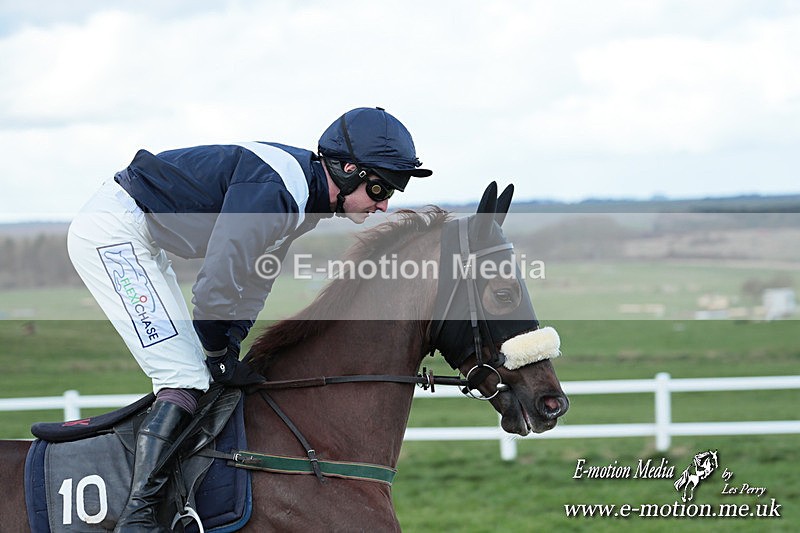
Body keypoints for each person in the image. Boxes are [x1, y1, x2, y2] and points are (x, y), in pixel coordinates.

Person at [66, 107, 431, 531]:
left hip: (141, 238)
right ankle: (137, 515)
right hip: (113, 234)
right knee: (183, 376)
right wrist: (216, 352)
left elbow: (255, 282)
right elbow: (215, 287)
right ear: (348, 169)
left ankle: (181, 498)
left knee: (198, 376)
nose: (384, 205)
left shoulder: (302, 199)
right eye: (379, 188)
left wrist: (231, 348)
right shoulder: (277, 192)